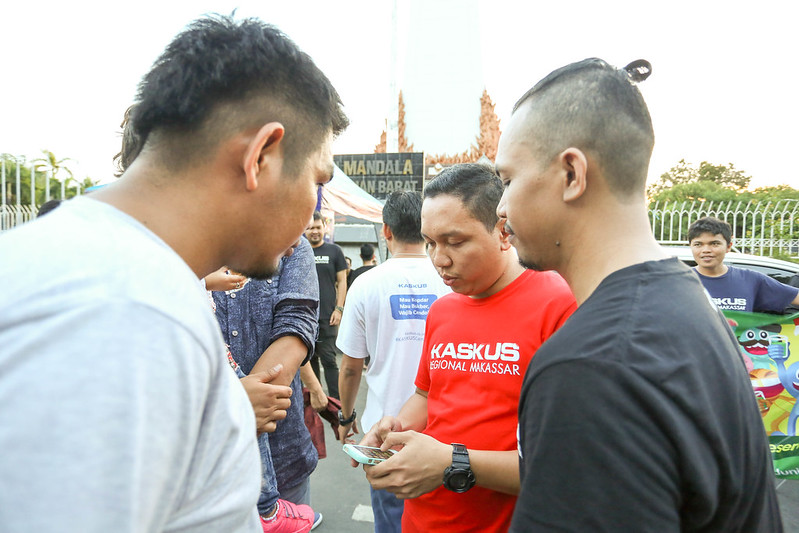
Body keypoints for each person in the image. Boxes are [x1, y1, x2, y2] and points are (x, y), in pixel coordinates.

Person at [0, 15, 347, 532]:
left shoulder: (95, 270)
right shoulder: (130, 313)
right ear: (262, 156)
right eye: (317, 182)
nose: (311, 209)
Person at [495, 58, 782, 531]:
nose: (502, 206)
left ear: (572, 174)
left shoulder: (592, 364)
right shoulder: (688, 302)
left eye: (507, 180)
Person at [360, 164, 577, 532]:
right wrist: (395, 426)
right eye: (430, 242)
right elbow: (427, 396)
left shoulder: (560, 304)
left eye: (455, 242)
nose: (438, 259)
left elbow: (564, 467)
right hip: (420, 519)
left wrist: (451, 462)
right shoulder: (442, 309)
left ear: (503, 232)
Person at [336, 190, 450, 533]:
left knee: (390, 521)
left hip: (384, 433)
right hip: (442, 434)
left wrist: (346, 416)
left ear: (387, 231)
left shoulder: (366, 284)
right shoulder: (451, 278)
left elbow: (351, 366)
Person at [212, 237, 325, 532]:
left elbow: (297, 326)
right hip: (209, 469)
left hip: (284, 455)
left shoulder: (295, 248)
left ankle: (268, 510)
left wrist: (244, 404)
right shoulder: (189, 245)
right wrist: (235, 406)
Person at [688, 216, 799, 312]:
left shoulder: (751, 279)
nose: (706, 250)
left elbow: (795, 297)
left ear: (728, 246)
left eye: (714, 244)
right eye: (698, 244)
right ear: (691, 246)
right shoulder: (679, 280)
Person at [305, 210, 348, 399]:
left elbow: (342, 281)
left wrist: (339, 309)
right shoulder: (301, 251)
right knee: (310, 359)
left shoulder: (334, 251)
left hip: (328, 315)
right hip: (305, 316)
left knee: (329, 360)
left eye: (317, 227)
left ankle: (336, 402)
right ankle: (315, 399)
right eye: (310, 228)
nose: (314, 231)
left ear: (324, 228)